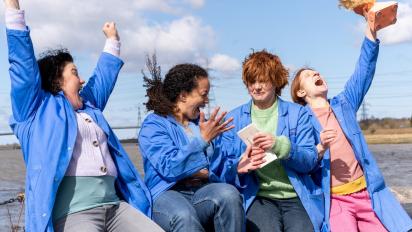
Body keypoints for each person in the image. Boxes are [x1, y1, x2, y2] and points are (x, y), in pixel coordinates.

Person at [3, 0, 164, 231]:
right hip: (74, 213)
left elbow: (103, 79)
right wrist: (13, 9)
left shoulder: (88, 107)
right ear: (56, 81)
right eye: (75, 73)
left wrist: (112, 40)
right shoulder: (35, 110)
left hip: (115, 206)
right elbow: (23, 68)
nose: (82, 80)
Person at [290, 16, 412, 232]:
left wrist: (371, 33)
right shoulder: (299, 120)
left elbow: (363, 73)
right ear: (301, 92)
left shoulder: (344, 104)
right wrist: (319, 149)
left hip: (367, 195)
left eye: (317, 72)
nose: (316, 73)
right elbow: (301, 162)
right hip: (336, 201)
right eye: (309, 76)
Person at [221, 50, 323, 232]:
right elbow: (222, 170)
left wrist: (280, 146)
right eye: (252, 81)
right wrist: (238, 168)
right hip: (259, 197)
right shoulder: (233, 119)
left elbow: (310, 161)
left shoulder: (298, 114)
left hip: (297, 195)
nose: (257, 87)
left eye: (263, 81)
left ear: (276, 81)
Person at [138, 61, 245, 232]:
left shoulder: (200, 125)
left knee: (229, 194)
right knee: (184, 215)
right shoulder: (154, 125)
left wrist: (237, 167)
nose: (206, 100)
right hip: (167, 193)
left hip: (202, 190)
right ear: (183, 95)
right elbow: (169, 166)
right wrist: (202, 141)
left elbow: (216, 167)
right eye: (203, 94)